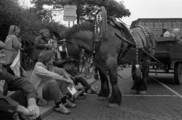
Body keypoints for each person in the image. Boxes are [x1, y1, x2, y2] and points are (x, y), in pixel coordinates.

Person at [0, 41, 41, 120]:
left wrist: (32, 103)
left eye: (3, 53)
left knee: (23, 94)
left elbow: (24, 83)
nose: (4, 56)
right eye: (1, 53)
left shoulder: (3, 72)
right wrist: (20, 109)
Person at [30, 50, 81, 114]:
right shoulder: (38, 68)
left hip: (46, 91)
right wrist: (65, 79)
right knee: (54, 82)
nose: (53, 60)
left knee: (63, 79)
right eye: (52, 58)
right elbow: (51, 75)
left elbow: (62, 70)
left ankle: (72, 94)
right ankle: (58, 105)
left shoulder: (50, 67)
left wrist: (68, 78)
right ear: (47, 59)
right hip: (39, 94)